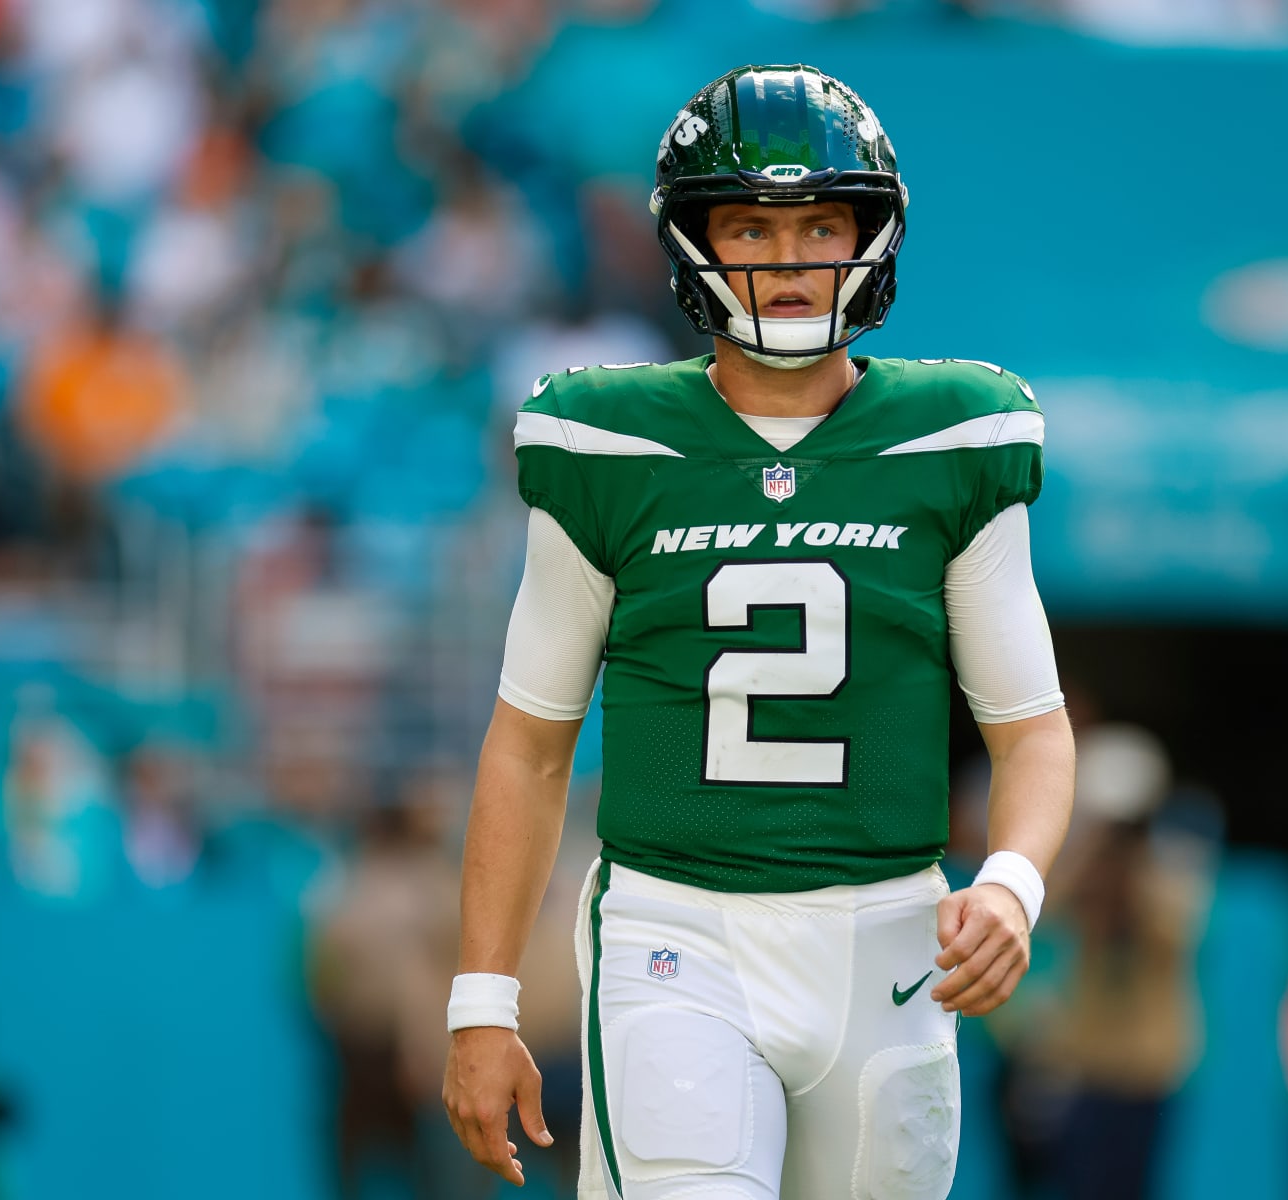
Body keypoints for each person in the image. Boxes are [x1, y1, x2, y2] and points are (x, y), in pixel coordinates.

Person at [440, 65, 1075, 1200]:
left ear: (869, 232)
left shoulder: (956, 438)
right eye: (751, 226)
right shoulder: (606, 444)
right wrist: (483, 999)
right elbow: (530, 743)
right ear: (695, 244)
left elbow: (1031, 731)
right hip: (675, 928)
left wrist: (1013, 884)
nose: (789, 260)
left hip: (889, 939)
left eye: (821, 222)